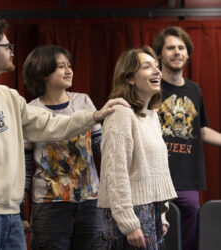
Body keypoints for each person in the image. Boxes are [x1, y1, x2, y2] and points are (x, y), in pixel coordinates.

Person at [0, 19, 129, 250]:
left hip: (11, 214)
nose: (12, 51)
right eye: (7, 47)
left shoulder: (8, 96)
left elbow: (50, 124)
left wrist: (95, 116)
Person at [21, 45, 104, 250]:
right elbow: (24, 168)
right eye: (60, 66)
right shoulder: (31, 111)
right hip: (50, 206)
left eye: (69, 65)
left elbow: (102, 148)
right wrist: (20, 211)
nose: (69, 71)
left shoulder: (83, 101)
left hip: (90, 202)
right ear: (43, 72)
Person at [97, 46, 177, 249]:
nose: (157, 71)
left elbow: (156, 170)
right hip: (130, 215)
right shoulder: (120, 114)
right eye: (147, 67)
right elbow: (115, 173)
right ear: (130, 78)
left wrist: (162, 215)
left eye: (157, 67)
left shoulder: (152, 117)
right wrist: (129, 223)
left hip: (151, 212)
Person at [153, 26, 221, 250]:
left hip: (188, 177)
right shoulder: (150, 87)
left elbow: (200, 130)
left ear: (188, 54)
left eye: (181, 48)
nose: (176, 52)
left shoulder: (194, 90)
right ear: (160, 54)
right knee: (156, 233)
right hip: (155, 176)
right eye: (170, 47)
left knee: (189, 236)